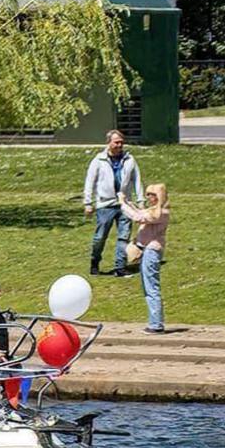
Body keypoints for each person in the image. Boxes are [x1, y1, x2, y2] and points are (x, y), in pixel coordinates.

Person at [83, 129, 143, 277]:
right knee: (100, 237)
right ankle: (95, 263)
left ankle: (120, 268)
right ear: (109, 143)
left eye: (121, 142)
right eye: (116, 142)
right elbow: (89, 182)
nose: (119, 145)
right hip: (105, 205)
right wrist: (88, 203)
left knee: (124, 236)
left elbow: (137, 181)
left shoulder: (130, 160)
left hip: (125, 204)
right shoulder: (98, 160)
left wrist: (141, 201)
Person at [119, 183, 170, 334]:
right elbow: (140, 212)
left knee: (151, 287)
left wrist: (122, 204)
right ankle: (155, 322)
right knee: (148, 286)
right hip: (147, 251)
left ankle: (156, 324)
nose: (148, 197)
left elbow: (138, 217)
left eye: (151, 194)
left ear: (158, 196)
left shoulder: (162, 212)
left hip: (151, 251)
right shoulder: (155, 210)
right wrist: (129, 203)